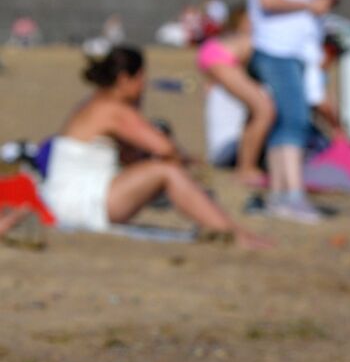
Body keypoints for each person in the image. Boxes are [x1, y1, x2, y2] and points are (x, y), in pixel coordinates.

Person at [44, 46, 269, 248]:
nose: (144, 87)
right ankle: (231, 232)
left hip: (71, 200)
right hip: (80, 204)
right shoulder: (112, 109)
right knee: (167, 172)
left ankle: (228, 229)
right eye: (141, 79)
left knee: (163, 169)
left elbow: (135, 155)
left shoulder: (95, 103)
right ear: (125, 79)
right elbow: (166, 149)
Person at [248, 0, 339, 223]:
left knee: (286, 121)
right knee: (296, 120)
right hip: (277, 49)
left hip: (296, 49)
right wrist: (310, 5)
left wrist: (321, 5)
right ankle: (292, 194)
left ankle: (282, 193)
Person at [198, 6, 274, 187]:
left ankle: (247, 166)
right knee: (264, 110)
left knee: (259, 110)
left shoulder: (236, 41)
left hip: (218, 57)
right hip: (222, 58)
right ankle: (246, 169)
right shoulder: (258, 39)